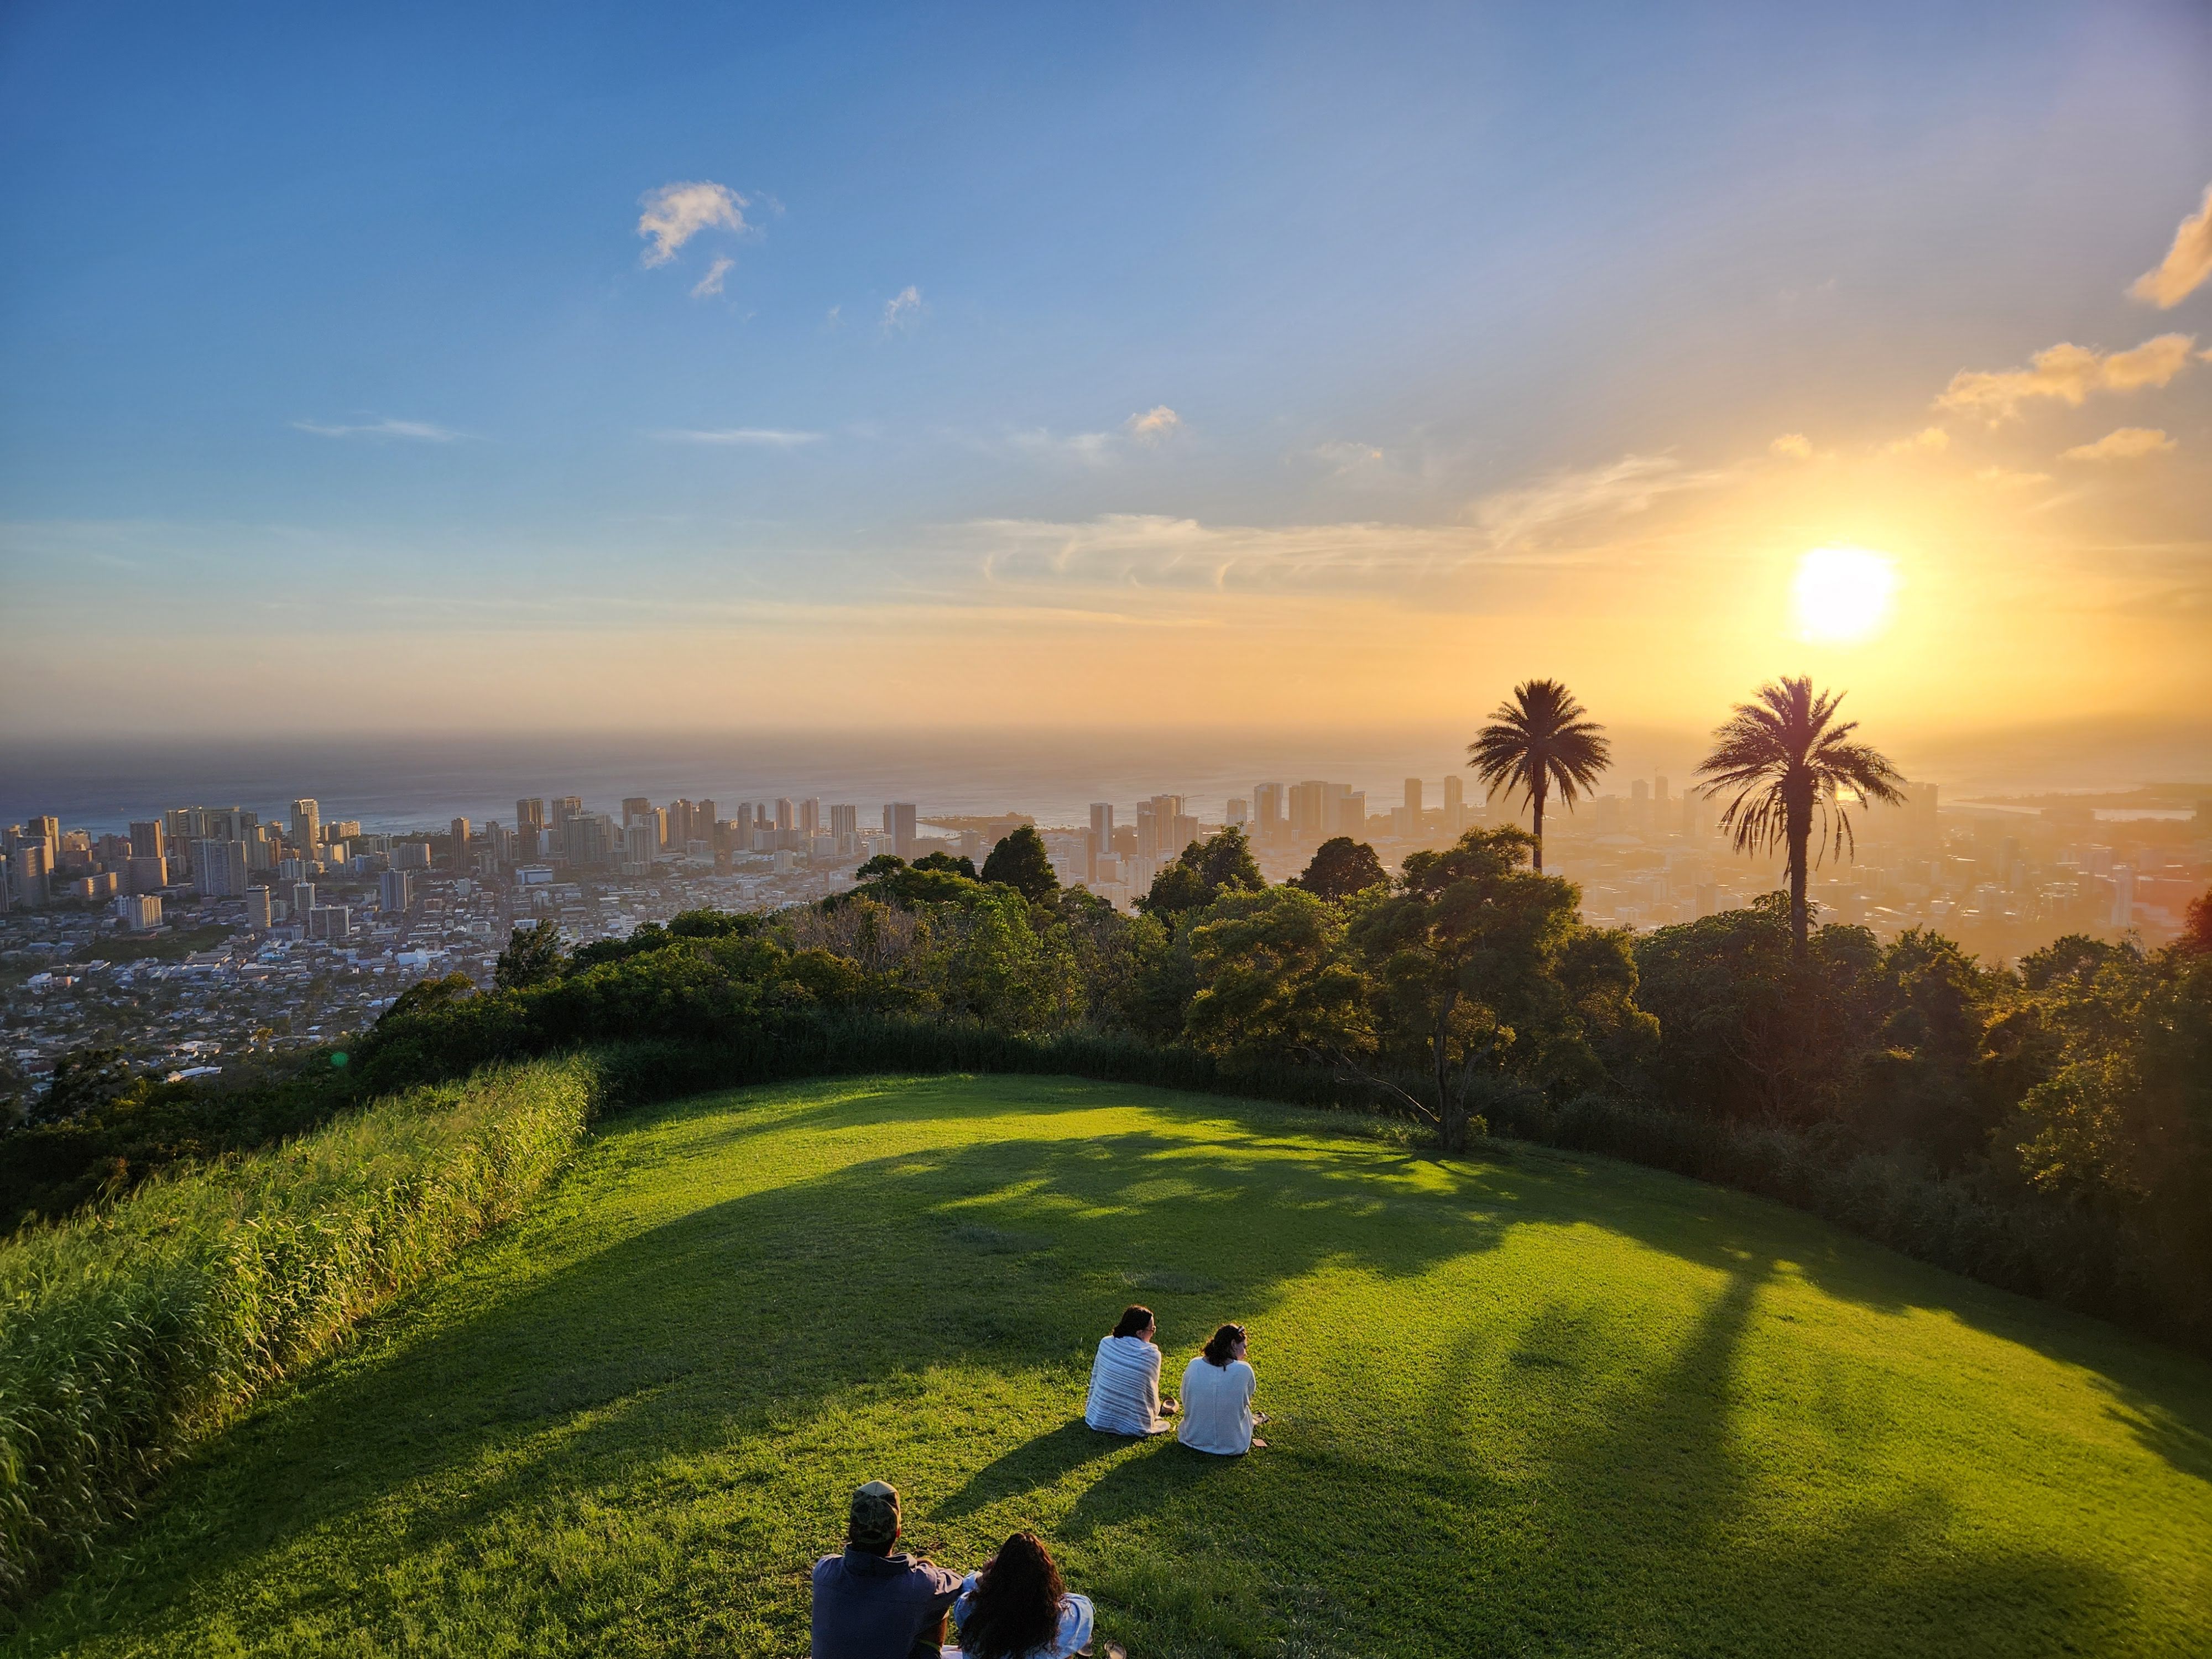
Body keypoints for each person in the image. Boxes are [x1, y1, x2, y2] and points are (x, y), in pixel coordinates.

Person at [811, 1478, 964, 1659]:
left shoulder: (824, 1571)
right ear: (898, 1531)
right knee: (937, 1607)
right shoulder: (924, 1584)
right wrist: (925, 1566)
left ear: (851, 1529)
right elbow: (956, 1581)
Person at [948, 1530, 1101, 1659]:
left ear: (997, 1575)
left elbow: (966, 1586)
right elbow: (1083, 1604)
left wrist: (982, 1579)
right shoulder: (1067, 1620)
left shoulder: (968, 1610)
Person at [1082, 1305, 1175, 1436]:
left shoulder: (1106, 1343)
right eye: (1152, 1329)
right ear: (1140, 1333)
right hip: (1135, 1425)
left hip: (1098, 1417)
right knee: (1162, 1423)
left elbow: (1095, 1378)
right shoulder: (1151, 1355)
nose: (1153, 1332)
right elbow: (1150, 1393)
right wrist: (1155, 1412)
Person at [1177, 1322, 1265, 1455]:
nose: (1246, 1353)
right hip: (1234, 1445)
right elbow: (1248, 1398)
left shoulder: (1194, 1365)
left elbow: (1185, 1399)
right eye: (1244, 1347)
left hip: (1193, 1439)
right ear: (1234, 1344)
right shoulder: (1244, 1370)